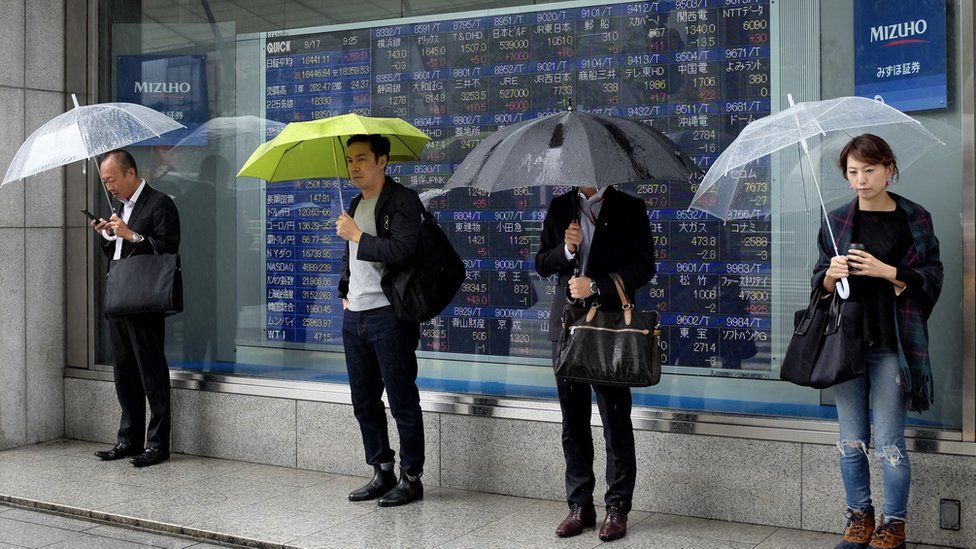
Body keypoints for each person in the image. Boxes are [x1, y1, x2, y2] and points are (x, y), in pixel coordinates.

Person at [815, 135, 942, 549]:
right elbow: (818, 286)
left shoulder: (914, 219)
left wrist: (887, 271)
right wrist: (832, 275)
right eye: (852, 172)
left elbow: (932, 278)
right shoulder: (836, 222)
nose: (860, 180)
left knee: (889, 443)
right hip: (847, 344)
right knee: (850, 442)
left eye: (869, 170)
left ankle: (894, 526)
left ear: (889, 169)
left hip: (894, 345)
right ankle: (858, 520)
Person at [536, 185, 656, 541]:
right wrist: (567, 249)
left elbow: (644, 266)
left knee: (615, 418)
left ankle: (617, 506)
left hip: (611, 329)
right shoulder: (561, 207)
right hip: (567, 328)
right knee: (573, 421)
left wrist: (598, 286)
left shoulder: (630, 207)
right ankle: (580, 505)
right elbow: (541, 262)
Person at [335, 134, 425, 507]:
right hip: (354, 315)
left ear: (382, 161)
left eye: (361, 159)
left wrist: (358, 234)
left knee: (402, 398)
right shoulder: (355, 202)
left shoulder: (403, 201)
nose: (353, 167)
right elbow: (350, 257)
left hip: (389, 314)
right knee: (363, 400)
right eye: (349, 160)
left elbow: (404, 250)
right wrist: (344, 291)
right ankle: (382, 470)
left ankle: (412, 476)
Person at [89, 149, 181, 467]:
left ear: (130, 173)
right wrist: (107, 237)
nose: (110, 186)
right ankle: (128, 439)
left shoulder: (160, 203)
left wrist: (132, 235)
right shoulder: (119, 207)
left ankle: (157, 444)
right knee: (124, 373)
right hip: (120, 296)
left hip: (145, 299)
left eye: (112, 179)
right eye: (105, 181)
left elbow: (168, 250)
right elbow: (119, 254)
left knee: (150, 370)